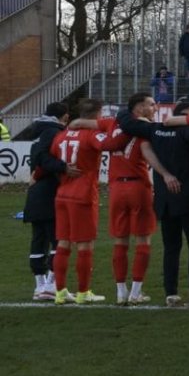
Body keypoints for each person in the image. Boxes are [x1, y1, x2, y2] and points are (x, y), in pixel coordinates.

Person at [118, 89, 189, 306]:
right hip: (187, 196)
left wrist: (127, 109)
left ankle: (170, 293)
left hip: (163, 198)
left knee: (171, 247)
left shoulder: (154, 130)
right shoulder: (185, 133)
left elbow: (126, 123)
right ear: (183, 117)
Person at [50, 99, 128, 304]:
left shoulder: (60, 135)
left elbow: (52, 159)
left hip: (62, 194)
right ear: (97, 115)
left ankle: (60, 292)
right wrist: (115, 127)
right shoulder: (91, 134)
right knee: (85, 245)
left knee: (63, 243)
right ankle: (83, 293)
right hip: (82, 195)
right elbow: (112, 144)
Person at [99, 94, 160, 306]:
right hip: (138, 186)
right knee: (143, 239)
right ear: (140, 107)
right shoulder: (142, 130)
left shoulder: (113, 124)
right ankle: (136, 292)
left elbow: (91, 122)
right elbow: (148, 153)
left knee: (120, 240)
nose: (155, 108)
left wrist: (76, 122)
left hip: (116, 188)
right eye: (151, 105)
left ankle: (120, 292)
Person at [23, 102, 74, 302]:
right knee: (58, 238)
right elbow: (44, 159)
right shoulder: (54, 132)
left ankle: (40, 285)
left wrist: (35, 174)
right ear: (65, 116)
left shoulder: (38, 130)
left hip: (36, 193)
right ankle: (52, 284)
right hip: (49, 191)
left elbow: (37, 159)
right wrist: (63, 167)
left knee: (39, 239)